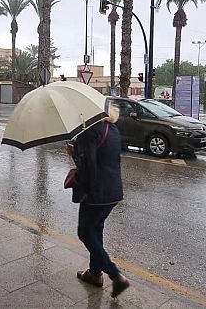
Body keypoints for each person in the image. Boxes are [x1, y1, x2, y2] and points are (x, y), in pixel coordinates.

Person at [68, 105, 129, 297]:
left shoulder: (90, 131)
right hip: (113, 191)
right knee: (96, 230)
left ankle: (115, 274)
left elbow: (88, 165)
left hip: (96, 193)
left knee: (85, 232)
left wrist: (75, 154)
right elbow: (107, 158)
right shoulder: (113, 129)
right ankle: (95, 273)